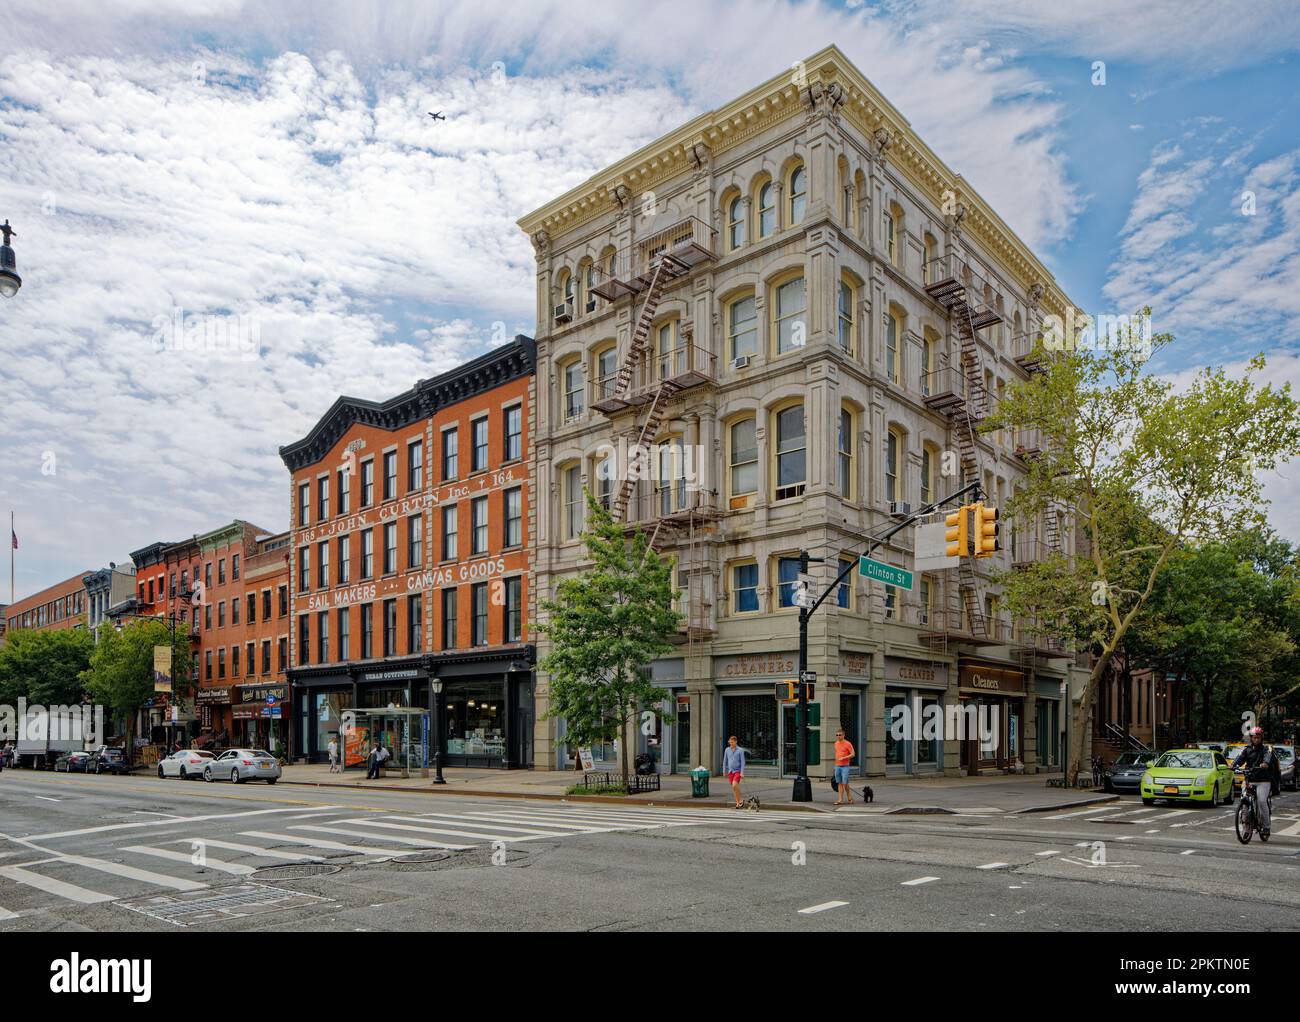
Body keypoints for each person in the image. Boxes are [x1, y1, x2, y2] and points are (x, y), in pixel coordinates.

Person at [1232, 726, 1282, 837]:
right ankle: (1246, 828)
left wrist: (1265, 764)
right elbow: (1239, 759)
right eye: (1254, 737)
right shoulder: (1247, 749)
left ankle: (1266, 826)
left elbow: (1267, 758)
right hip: (1249, 779)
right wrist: (1234, 765)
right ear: (1251, 738)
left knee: (1261, 801)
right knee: (1244, 803)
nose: (1256, 739)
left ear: (1261, 738)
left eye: (1258, 737)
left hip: (1263, 780)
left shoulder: (1266, 749)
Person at [833, 728, 856, 805]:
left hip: (845, 766)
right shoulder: (836, 743)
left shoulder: (848, 744)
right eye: (837, 735)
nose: (838, 736)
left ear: (843, 735)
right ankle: (840, 799)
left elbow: (853, 754)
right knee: (839, 782)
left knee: (845, 782)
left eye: (840, 735)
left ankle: (849, 797)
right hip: (837, 766)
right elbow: (837, 753)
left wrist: (844, 757)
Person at [722, 735, 746, 808]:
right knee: (734, 788)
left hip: (737, 771)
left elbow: (743, 762)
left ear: (736, 742)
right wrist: (724, 771)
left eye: (732, 742)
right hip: (730, 771)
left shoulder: (740, 750)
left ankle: (740, 800)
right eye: (730, 742)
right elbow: (725, 761)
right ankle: (738, 802)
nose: (731, 744)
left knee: (734, 785)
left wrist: (742, 772)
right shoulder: (727, 750)